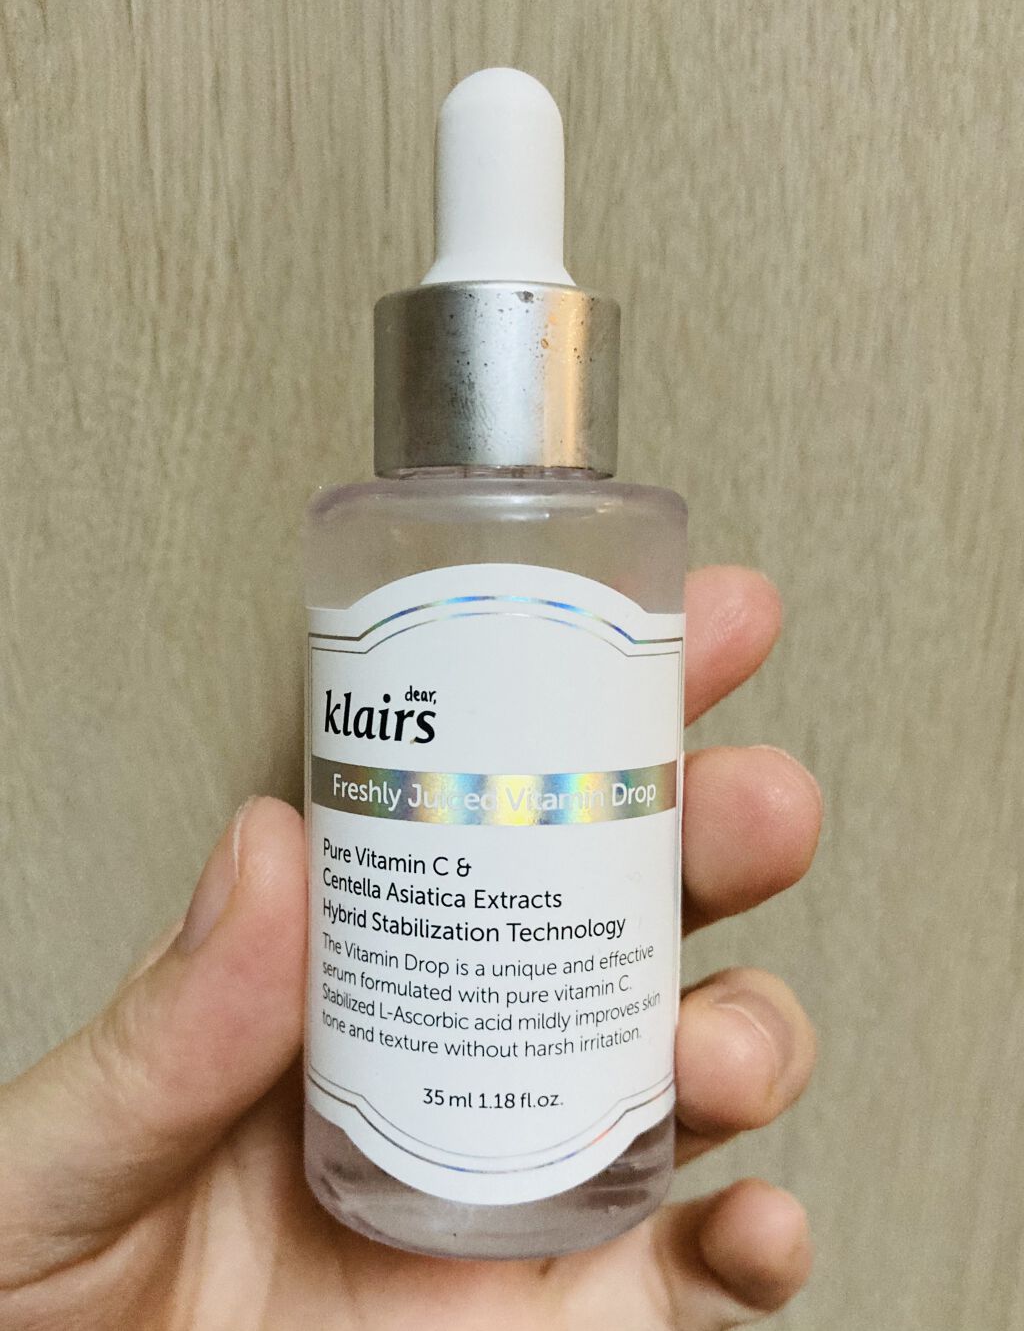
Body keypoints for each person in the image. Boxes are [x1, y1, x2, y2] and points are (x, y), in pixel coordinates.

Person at [0, 567, 821, 1330]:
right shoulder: (367, 535)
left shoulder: (617, 540)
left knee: (730, 1006)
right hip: (332, 1175)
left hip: (578, 1138)